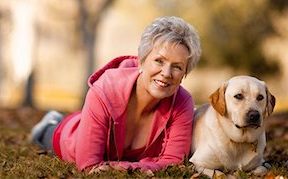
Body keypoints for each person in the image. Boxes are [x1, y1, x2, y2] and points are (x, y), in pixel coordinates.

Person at [30, 16, 201, 173]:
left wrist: (121, 167)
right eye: (159, 61)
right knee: (49, 134)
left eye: (177, 66)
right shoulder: (104, 89)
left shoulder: (183, 102)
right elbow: (89, 165)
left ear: (185, 73)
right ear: (142, 59)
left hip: (94, 123)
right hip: (70, 136)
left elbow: (173, 162)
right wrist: (148, 166)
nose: (166, 73)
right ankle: (49, 123)